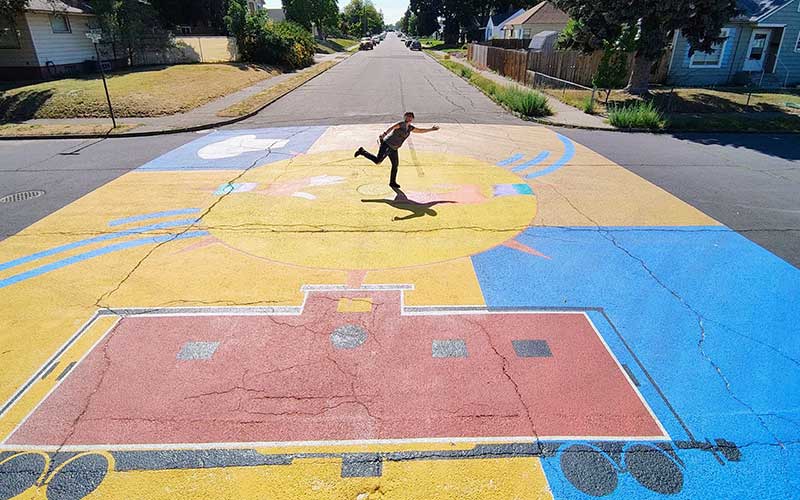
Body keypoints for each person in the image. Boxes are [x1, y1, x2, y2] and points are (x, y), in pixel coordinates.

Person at [354, 112, 440, 189]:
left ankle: (392, 182)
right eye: (407, 116)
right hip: (387, 144)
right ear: (405, 117)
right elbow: (391, 128)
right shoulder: (401, 124)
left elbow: (420, 130)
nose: (409, 118)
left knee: (395, 165)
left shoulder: (410, 128)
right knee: (378, 161)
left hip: (394, 148)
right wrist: (384, 134)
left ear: (412, 119)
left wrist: (431, 129)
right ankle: (362, 151)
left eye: (410, 117)